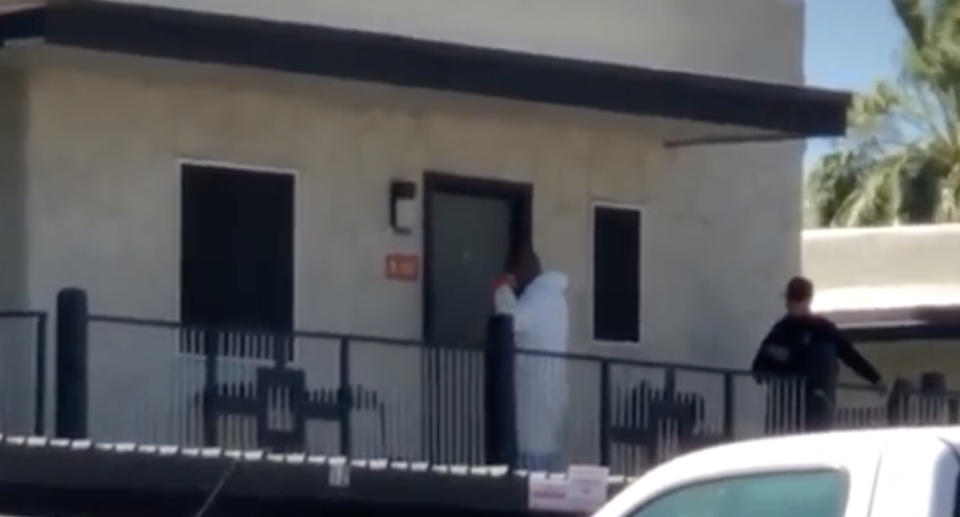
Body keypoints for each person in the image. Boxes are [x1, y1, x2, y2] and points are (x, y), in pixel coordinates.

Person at [752, 276, 884, 431]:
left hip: (814, 408)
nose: (790, 305)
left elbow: (849, 355)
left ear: (807, 301)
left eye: (796, 300)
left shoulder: (822, 329)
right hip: (787, 410)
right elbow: (758, 367)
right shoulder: (781, 330)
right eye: (791, 300)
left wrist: (875, 378)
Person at [492, 248, 569, 471]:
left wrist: (503, 291)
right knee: (548, 458)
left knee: (532, 464)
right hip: (551, 390)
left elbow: (509, 323)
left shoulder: (537, 297)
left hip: (534, 393)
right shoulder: (556, 297)